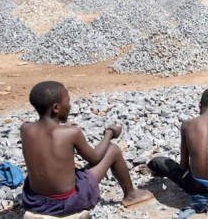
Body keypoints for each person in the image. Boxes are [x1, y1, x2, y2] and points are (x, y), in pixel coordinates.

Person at [20, 81, 152, 216]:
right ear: (56, 108)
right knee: (113, 150)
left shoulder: (25, 129)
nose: (70, 105)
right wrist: (109, 133)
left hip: (35, 200)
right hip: (67, 202)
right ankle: (131, 194)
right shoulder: (71, 132)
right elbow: (95, 158)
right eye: (68, 101)